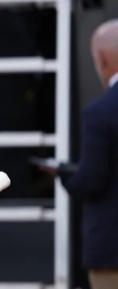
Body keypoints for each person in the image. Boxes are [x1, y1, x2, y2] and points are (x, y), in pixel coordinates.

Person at [35, 19, 118, 289]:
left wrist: (65, 174)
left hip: (111, 250)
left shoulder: (100, 112)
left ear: (102, 60)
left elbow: (92, 180)